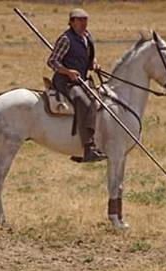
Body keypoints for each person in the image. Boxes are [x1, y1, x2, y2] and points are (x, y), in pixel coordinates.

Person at [47, 8, 107, 163]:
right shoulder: (66, 39)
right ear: (71, 22)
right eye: (79, 20)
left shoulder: (87, 36)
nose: (83, 23)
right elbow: (52, 61)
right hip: (65, 82)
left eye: (85, 19)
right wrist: (68, 72)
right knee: (85, 102)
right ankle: (87, 148)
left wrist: (94, 63)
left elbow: (88, 57)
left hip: (82, 80)